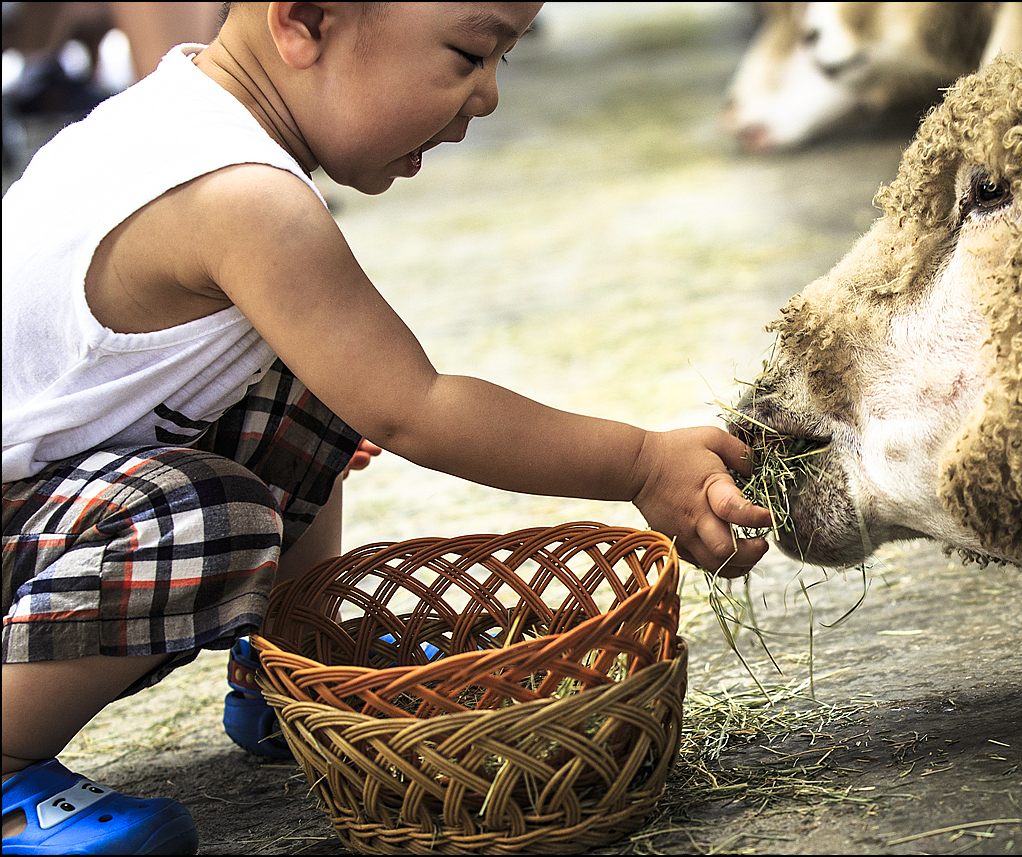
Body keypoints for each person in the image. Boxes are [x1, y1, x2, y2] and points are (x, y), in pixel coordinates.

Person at [0, 3, 773, 853]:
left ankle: (295, 656)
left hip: (49, 504)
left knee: (326, 372)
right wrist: (641, 463)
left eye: (504, 61)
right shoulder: (239, 195)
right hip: (25, 529)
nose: (487, 96)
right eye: (469, 54)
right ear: (305, 21)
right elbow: (416, 407)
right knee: (210, 513)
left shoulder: (178, 111)